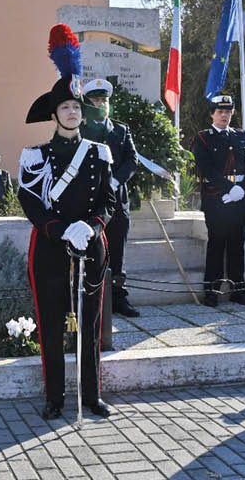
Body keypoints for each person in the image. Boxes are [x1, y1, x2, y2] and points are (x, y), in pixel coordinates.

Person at [18, 24, 116, 420]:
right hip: (51, 246)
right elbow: (29, 201)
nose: (72, 112)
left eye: (77, 107)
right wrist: (59, 229)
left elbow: (110, 200)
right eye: (65, 108)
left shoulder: (100, 153)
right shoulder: (35, 155)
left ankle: (91, 395)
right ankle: (55, 397)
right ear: (55, 114)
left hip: (91, 245)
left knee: (90, 323)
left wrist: (92, 226)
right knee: (52, 324)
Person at [190, 94, 245, 307]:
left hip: (240, 198)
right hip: (216, 198)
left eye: (228, 112)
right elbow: (205, 168)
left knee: (238, 244)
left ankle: (238, 290)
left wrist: (242, 189)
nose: (224, 116)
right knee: (217, 243)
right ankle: (212, 291)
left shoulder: (241, 135)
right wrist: (230, 188)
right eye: (220, 112)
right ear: (212, 114)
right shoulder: (203, 137)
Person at [80, 78, 140, 317]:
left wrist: (115, 181)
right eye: (96, 100)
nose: (101, 104)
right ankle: (91, 298)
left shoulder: (121, 130)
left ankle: (118, 298)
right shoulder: (80, 131)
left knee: (118, 252)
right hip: (90, 204)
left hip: (117, 202)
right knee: (91, 252)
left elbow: (132, 160)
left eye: (104, 100)